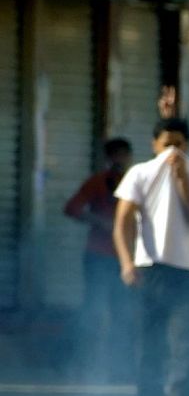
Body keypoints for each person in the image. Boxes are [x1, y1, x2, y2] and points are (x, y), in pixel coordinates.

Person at [113, 113, 189, 396]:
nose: (172, 151)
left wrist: (183, 180)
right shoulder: (139, 173)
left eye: (179, 144)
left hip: (185, 275)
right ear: (154, 144)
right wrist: (127, 262)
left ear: (188, 147)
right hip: (148, 273)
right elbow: (123, 221)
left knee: (184, 351)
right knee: (148, 356)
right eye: (167, 144)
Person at [64, 137, 136, 380]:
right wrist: (101, 222)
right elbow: (72, 208)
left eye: (124, 156)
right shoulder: (98, 183)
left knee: (123, 314)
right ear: (108, 158)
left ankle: (120, 368)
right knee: (93, 312)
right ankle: (81, 364)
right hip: (99, 256)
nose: (120, 161)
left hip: (126, 259)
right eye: (115, 156)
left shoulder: (135, 183)